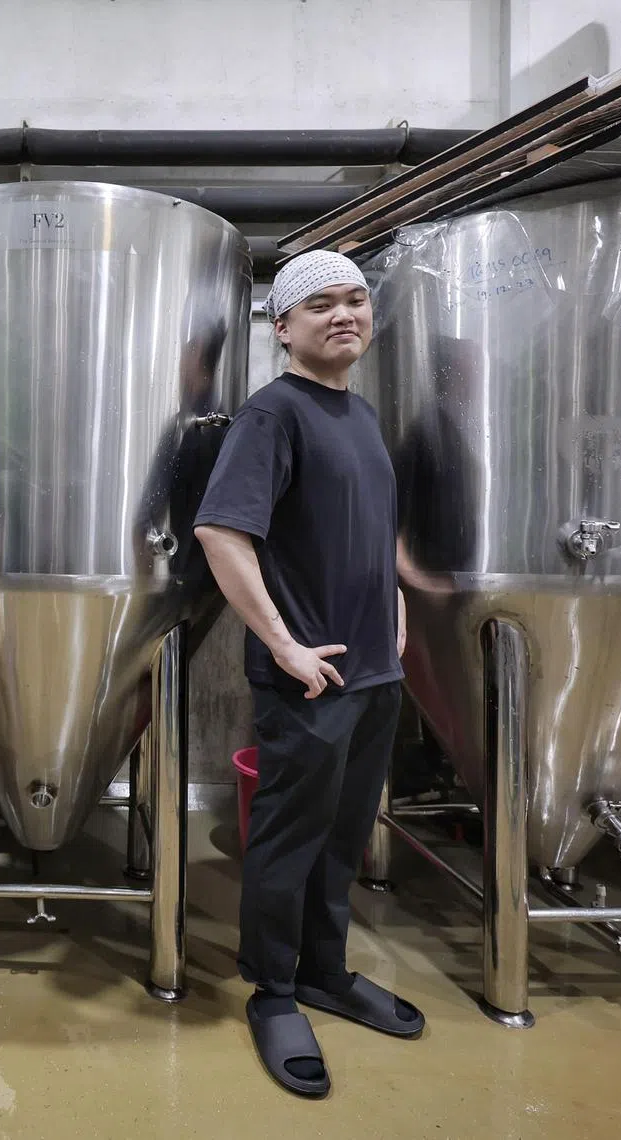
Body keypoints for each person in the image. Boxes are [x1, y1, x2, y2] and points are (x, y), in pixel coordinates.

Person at [193, 250, 424, 1100]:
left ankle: (327, 969)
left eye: (356, 299)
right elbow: (222, 533)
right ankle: (276, 989)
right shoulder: (273, 415)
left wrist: (394, 607)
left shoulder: (358, 417)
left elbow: (368, 531)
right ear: (282, 326)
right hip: (311, 678)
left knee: (344, 834)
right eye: (319, 303)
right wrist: (284, 646)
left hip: (372, 674)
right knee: (289, 837)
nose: (344, 314)